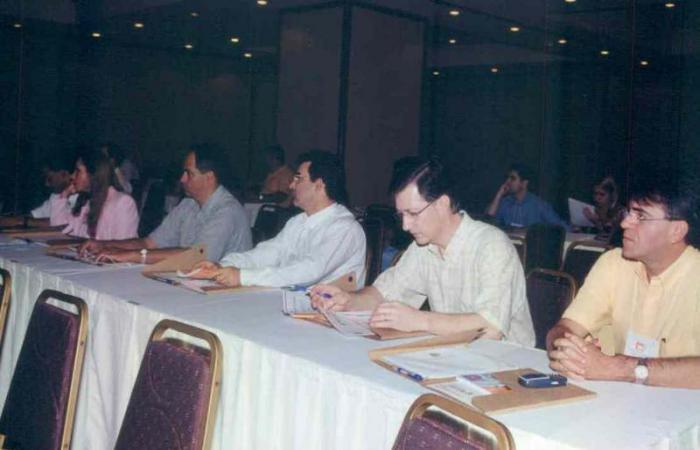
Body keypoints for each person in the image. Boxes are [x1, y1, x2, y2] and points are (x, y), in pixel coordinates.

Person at [310, 158, 534, 345]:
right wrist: (348, 301)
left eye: (413, 213)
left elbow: (490, 328)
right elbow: (383, 294)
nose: (405, 225)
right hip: (454, 353)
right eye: (401, 215)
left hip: (508, 363)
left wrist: (420, 321)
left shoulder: (492, 246)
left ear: (442, 203)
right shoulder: (423, 247)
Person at [547, 175, 700, 388]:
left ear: (677, 231)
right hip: (621, 399)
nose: (625, 223)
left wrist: (617, 368)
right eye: (629, 213)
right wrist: (568, 350)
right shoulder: (614, 263)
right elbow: (564, 328)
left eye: (641, 216)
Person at [193, 150, 366, 288]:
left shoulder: (344, 228)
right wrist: (222, 265)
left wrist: (243, 276)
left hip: (330, 315)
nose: (291, 185)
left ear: (319, 185)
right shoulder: (298, 222)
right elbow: (267, 253)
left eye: (298, 179)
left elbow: (308, 272)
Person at [79, 144, 252, 263]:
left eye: (189, 173)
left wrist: (131, 255)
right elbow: (149, 244)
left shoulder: (227, 211)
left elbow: (196, 257)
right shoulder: (188, 205)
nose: (182, 179)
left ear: (209, 177)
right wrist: (105, 245)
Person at [59, 151, 139, 240]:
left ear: (93, 174)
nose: (72, 176)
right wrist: (64, 195)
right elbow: (61, 229)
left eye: (78, 171)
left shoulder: (123, 203)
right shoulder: (86, 201)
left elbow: (122, 244)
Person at [0, 153, 76, 228]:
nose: (46, 184)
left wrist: (22, 221)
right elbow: (34, 216)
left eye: (49, 179)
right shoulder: (56, 196)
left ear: (64, 174)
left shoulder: (78, 196)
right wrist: (10, 220)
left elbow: (61, 223)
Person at [486, 163, 568, 229]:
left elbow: (560, 226)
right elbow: (488, 220)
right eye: (507, 178)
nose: (507, 181)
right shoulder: (505, 202)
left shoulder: (539, 205)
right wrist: (499, 194)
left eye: (513, 178)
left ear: (524, 183)